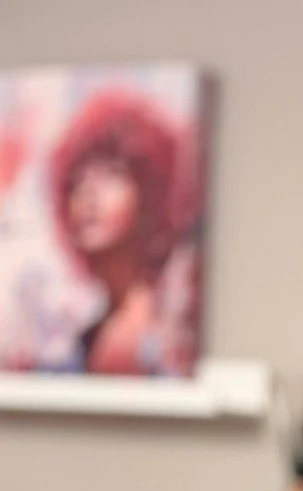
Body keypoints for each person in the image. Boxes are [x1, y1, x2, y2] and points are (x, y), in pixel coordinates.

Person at [46, 89, 200, 375]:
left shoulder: (167, 330)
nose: (89, 195)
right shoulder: (85, 337)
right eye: (78, 181)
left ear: (150, 193)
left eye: (111, 174)